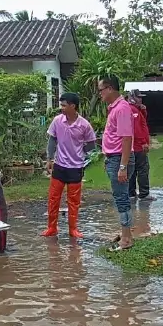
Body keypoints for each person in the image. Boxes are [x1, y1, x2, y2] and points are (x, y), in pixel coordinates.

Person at [43, 92, 98, 239]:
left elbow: (91, 144)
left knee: (73, 201)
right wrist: (49, 158)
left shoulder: (84, 125)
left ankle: (73, 229)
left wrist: (80, 152)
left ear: (73, 106)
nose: (61, 108)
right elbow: (52, 141)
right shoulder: (57, 121)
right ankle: (51, 228)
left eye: (64, 105)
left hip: (76, 167)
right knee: (53, 198)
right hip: (59, 166)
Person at [98, 75, 135, 251]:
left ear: (110, 88)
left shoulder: (121, 108)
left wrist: (122, 166)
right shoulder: (115, 108)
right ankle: (125, 232)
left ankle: (126, 238)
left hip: (120, 158)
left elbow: (126, 138)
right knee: (120, 196)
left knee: (121, 197)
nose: (100, 94)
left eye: (101, 90)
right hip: (114, 158)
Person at [127, 90, 152, 201]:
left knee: (132, 169)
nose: (140, 99)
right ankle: (144, 193)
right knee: (142, 169)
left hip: (133, 146)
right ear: (132, 97)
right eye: (138, 97)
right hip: (137, 145)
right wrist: (143, 142)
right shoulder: (133, 110)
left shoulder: (136, 109)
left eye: (141, 97)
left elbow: (143, 122)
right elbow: (136, 129)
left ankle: (131, 193)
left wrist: (143, 110)